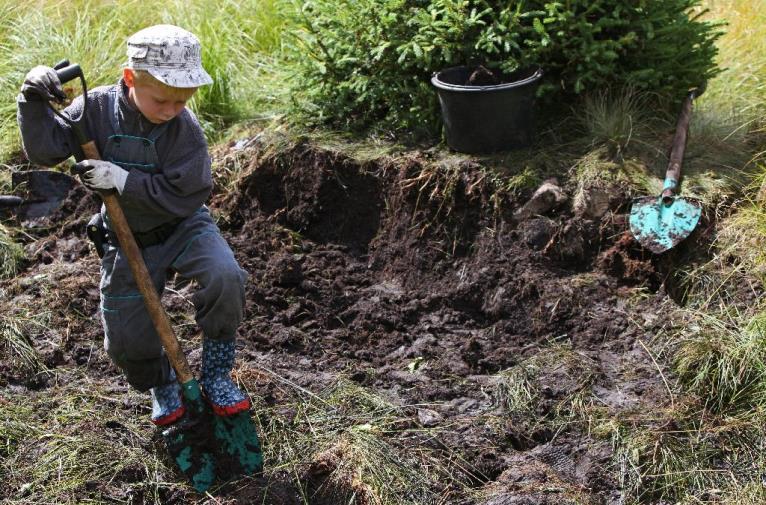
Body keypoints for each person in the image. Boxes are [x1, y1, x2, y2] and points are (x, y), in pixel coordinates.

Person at [17, 24, 251, 425]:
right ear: (130, 79)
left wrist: (124, 180)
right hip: (127, 237)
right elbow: (46, 150)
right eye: (162, 100)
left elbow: (188, 193)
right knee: (125, 339)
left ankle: (215, 373)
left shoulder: (184, 130)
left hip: (184, 226)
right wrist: (32, 100)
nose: (172, 110)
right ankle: (163, 384)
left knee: (225, 277)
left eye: (183, 100)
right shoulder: (95, 110)